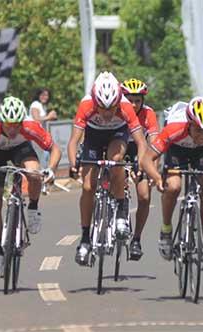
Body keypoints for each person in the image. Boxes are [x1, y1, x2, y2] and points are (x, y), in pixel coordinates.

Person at [0, 96, 61, 279]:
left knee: (33, 173)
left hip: (21, 149)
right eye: (8, 125)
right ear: (1, 121)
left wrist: (52, 170)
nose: (13, 129)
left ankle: (33, 208)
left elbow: (55, 149)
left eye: (17, 125)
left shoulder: (29, 126)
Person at [141, 97, 203, 270]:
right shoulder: (174, 128)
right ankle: (166, 230)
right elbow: (147, 160)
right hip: (177, 150)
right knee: (173, 187)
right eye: (198, 130)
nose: (202, 135)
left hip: (201, 153)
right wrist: (157, 178)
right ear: (189, 124)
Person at [67, 71, 148, 266]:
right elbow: (73, 141)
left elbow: (141, 143)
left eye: (112, 108)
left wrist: (140, 163)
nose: (107, 113)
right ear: (95, 102)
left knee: (117, 159)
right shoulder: (86, 105)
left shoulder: (126, 107)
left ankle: (121, 210)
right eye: (102, 108)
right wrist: (72, 164)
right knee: (87, 187)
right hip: (93, 136)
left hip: (117, 134)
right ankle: (85, 239)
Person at [120, 78, 159, 260]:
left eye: (137, 100)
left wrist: (153, 172)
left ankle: (136, 239)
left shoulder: (149, 114)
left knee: (144, 196)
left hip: (140, 151)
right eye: (130, 100)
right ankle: (114, 209)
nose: (134, 105)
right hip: (118, 147)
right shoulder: (117, 109)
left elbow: (154, 146)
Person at [29, 88, 58, 168]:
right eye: (43, 95)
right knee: (40, 157)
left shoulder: (42, 106)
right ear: (38, 95)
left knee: (46, 157)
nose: (45, 97)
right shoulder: (35, 104)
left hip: (41, 136)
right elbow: (36, 119)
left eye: (47, 95)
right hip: (35, 137)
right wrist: (49, 117)